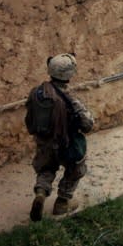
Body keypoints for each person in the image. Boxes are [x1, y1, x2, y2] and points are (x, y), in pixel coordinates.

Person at [25, 53, 94, 221]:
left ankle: (41, 192)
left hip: (43, 142)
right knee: (77, 169)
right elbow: (88, 124)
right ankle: (62, 202)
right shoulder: (70, 101)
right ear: (69, 75)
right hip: (65, 144)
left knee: (46, 168)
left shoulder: (38, 93)